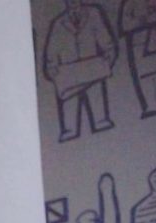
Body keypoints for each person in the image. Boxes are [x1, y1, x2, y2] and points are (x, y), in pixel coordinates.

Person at [43, 0, 118, 142]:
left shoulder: (93, 13)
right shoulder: (58, 23)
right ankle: (69, 129)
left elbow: (104, 37)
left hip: (93, 70)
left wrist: (108, 56)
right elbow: (51, 51)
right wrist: (52, 69)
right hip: (69, 76)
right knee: (70, 125)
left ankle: (101, 120)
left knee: (101, 119)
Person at [118, 0, 156, 118]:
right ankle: (149, 104)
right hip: (139, 44)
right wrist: (144, 20)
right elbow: (125, 25)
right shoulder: (130, 3)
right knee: (144, 75)